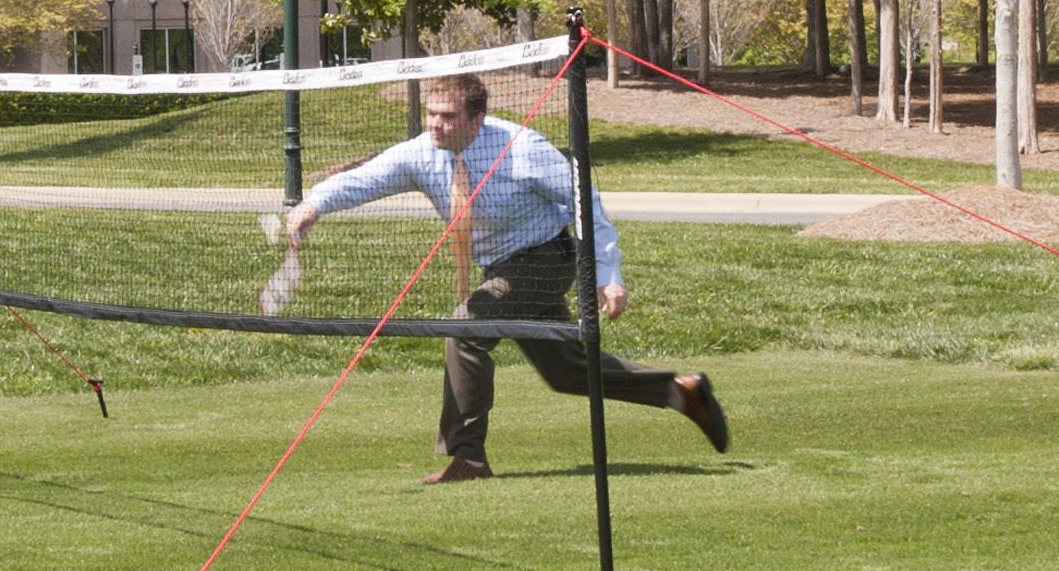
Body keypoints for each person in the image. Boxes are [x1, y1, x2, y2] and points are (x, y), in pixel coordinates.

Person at [282, 70, 727, 483]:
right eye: (431, 114)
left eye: (448, 116)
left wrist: (608, 273)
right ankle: (679, 391)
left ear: (477, 119)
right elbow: (365, 179)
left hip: (547, 257)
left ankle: (469, 459)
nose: (435, 124)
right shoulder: (422, 152)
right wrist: (313, 205)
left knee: (467, 329)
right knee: (566, 373)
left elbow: (585, 202)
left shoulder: (522, 148)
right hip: (502, 267)